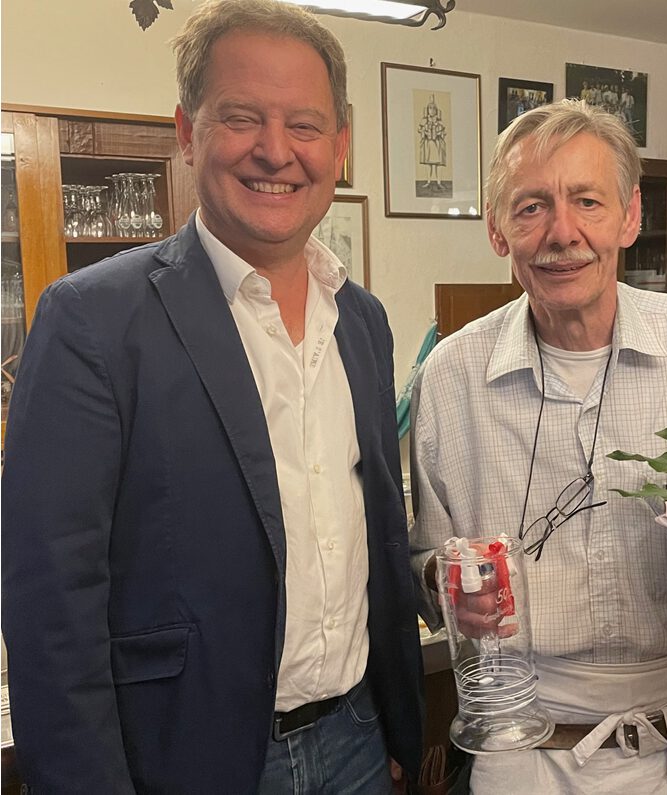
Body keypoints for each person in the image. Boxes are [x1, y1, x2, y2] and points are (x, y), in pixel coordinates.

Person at [1, 1, 423, 792]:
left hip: (359, 741)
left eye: (304, 123)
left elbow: (379, 541)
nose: (275, 150)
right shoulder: (92, 321)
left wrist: (400, 726)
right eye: (241, 117)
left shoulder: (361, 321)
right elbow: (50, 612)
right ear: (188, 133)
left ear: (341, 146)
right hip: (188, 761)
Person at [409, 99, 667, 793]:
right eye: (531, 207)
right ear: (498, 230)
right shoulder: (449, 376)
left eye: (587, 200)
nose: (564, 232)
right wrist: (447, 579)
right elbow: (425, 557)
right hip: (517, 747)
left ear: (630, 215)